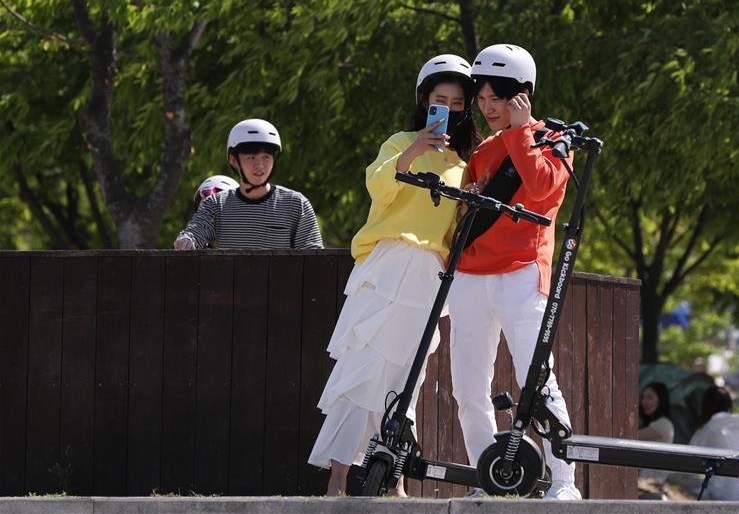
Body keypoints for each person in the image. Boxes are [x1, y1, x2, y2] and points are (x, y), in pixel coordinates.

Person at [308, 54, 479, 496]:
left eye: (457, 103)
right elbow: (378, 187)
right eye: (440, 100)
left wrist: (471, 200)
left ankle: (395, 478)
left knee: (408, 377)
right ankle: (337, 477)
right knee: (362, 368)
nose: (448, 109)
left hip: (429, 275)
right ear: (424, 100)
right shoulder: (401, 142)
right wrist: (415, 150)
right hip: (388, 264)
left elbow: (457, 230)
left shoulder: (465, 163)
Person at [446, 44, 580, 500]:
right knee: (468, 387)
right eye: (482, 100)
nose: (487, 109)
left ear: (522, 95)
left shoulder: (553, 139)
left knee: (537, 380)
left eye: (497, 100)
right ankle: (485, 479)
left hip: (522, 274)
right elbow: (464, 217)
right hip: (470, 276)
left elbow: (542, 189)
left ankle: (565, 482)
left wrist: (522, 131)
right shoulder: (483, 150)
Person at [173, 119, 323, 250]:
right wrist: (187, 240)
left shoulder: (296, 204)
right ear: (233, 160)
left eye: (266, 157)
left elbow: (314, 257)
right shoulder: (215, 204)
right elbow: (196, 232)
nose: (260, 165)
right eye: (251, 157)